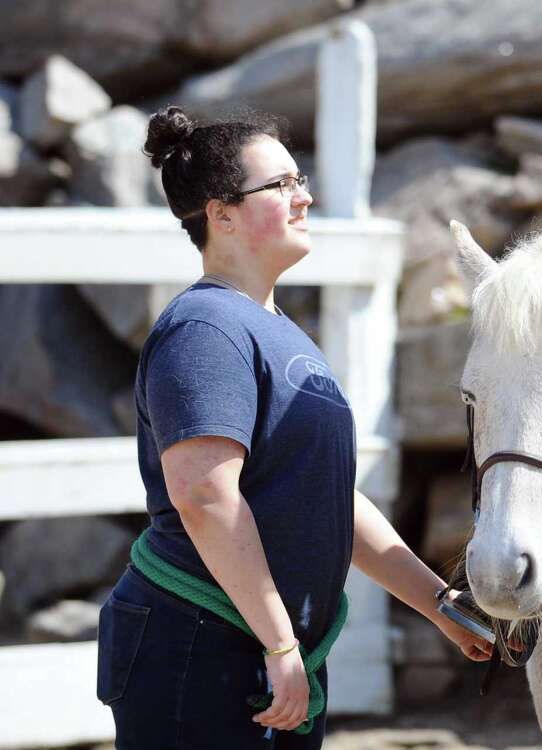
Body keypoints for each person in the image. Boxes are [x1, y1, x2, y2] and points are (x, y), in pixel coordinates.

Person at [96, 106, 490, 749]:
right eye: (280, 185)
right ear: (221, 215)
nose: (303, 196)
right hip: (202, 645)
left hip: (261, 645)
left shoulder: (272, 328)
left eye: (298, 179)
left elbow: (327, 498)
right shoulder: (205, 330)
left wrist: (441, 605)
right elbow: (205, 497)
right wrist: (280, 644)